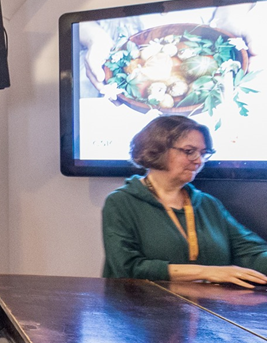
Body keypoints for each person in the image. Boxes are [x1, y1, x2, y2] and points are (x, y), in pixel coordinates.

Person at [102, 115, 267, 286]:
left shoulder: (207, 204)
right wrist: (208, 272)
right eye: (189, 151)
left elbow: (251, 252)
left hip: (207, 303)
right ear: (156, 150)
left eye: (203, 153)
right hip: (141, 303)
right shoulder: (121, 202)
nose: (199, 160)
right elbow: (127, 268)